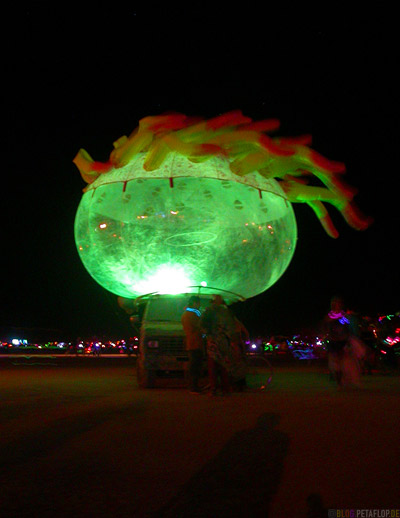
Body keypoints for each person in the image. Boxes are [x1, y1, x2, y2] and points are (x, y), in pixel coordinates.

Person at [201, 295, 247, 396]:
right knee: (224, 366)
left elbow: (203, 326)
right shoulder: (226, 312)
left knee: (214, 366)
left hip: (213, 342)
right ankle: (225, 389)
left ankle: (215, 389)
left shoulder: (208, 311)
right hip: (223, 342)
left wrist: (208, 335)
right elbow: (232, 328)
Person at [181, 296, 204, 394]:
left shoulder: (187, 314)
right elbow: (198, 327)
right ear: (194, 303)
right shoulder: (192, 315)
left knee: (194, 366)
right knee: (195, 366)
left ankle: (194, 386)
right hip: (195, 343)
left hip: (193, 343)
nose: (199, 305)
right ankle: (193, 387)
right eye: (198, 303)